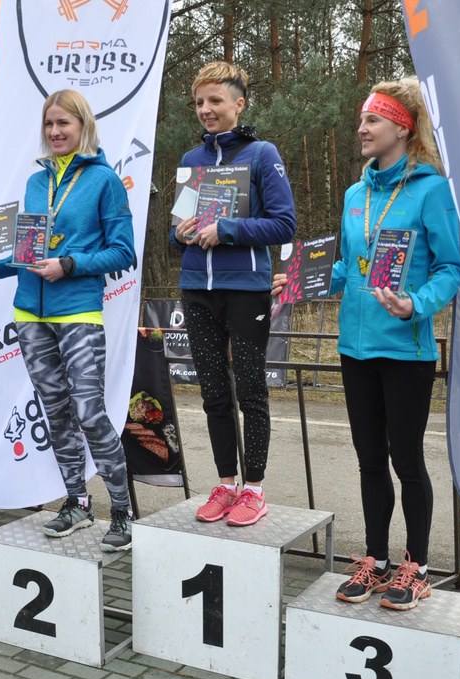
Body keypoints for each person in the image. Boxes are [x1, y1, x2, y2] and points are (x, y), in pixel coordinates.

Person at [0, 89, 136, 551]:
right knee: (56, 412)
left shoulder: (105, 181)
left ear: (83, 126)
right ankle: (77, 503)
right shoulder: (34, 182)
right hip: (29, 313)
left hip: (78, 310)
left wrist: (70, 265)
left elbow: (123, 252)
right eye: (49, 124)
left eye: (64, 123)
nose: (56, 131)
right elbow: (28, 251)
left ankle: (122, 513)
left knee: (90, 413)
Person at [329, 77, 460, 609]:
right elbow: (349, 265)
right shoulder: (354, 195)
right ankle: (376, 560)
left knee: (406, 459)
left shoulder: (431, 191)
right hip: (355, 348)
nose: (361, 129)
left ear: (403, 128)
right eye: (361, 120)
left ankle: (417, 567)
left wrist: (417, 304)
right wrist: (301, 282)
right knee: (369, 459)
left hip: (406, 351)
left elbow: (451, 267)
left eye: (373, 120)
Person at [171, 60, 297, 527]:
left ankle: (255, 490)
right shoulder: (192, 160)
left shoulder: (262, 154)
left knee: (250, 390)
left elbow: (284, 225)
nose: (206, 109)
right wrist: (180, 234)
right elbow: (176, 234)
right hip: (196, 290)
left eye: (215, 100)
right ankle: (226, 484)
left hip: (245, 289)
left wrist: (226, 230)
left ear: (239, 103)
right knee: (212, 393)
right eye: (199, 102)